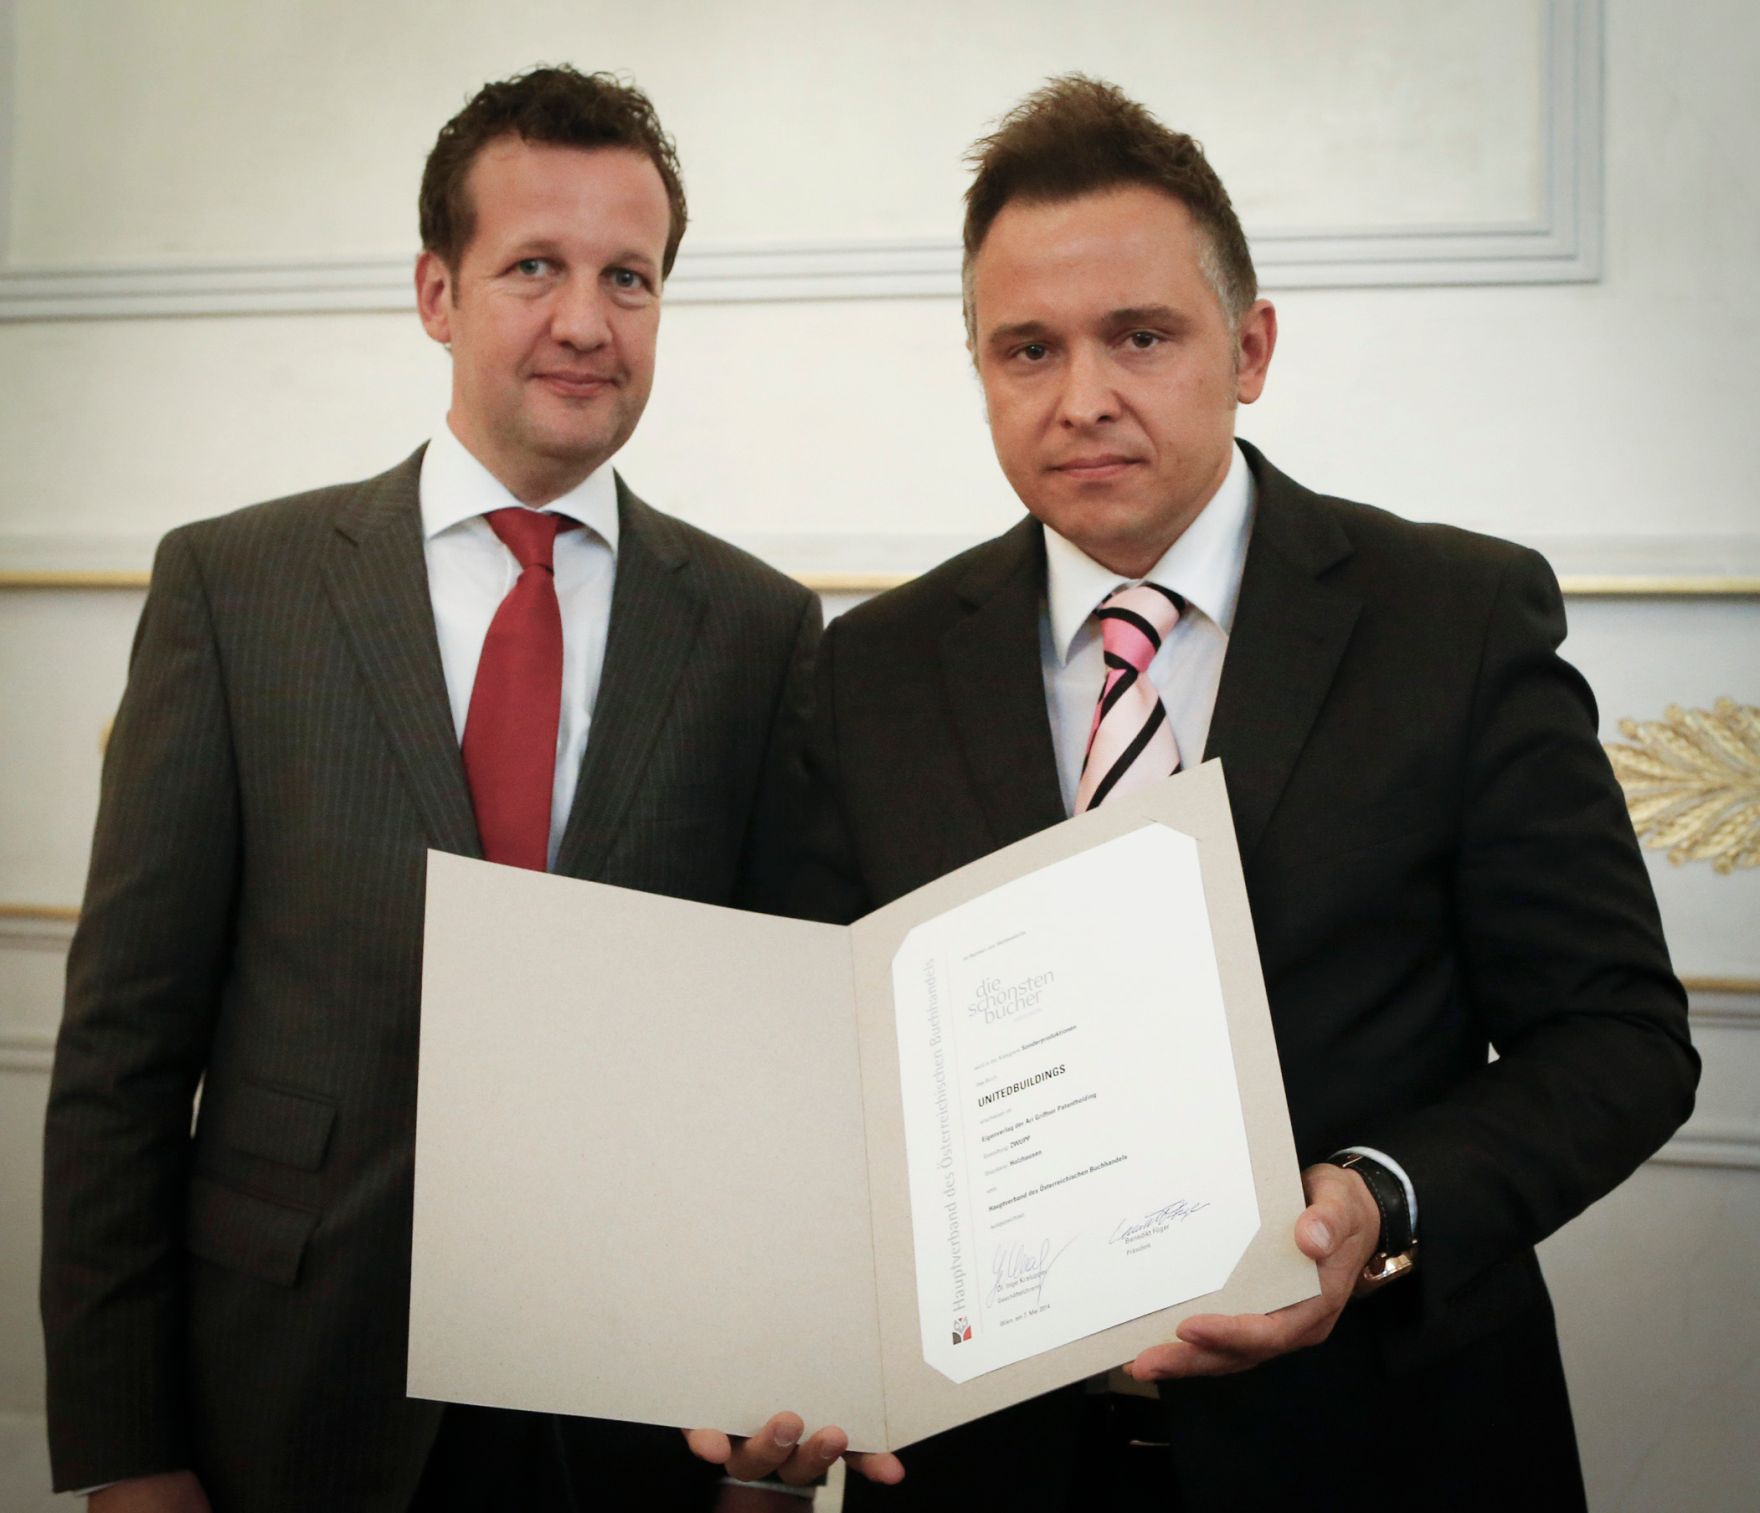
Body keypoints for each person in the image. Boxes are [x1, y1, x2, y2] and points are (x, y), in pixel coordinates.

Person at [795, 76, 1698, 1511]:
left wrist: (1379, 1202)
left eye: (1139, 335)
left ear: (1251, 344)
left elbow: (1621, 1037)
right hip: (993, 1469)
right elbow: (817, 1076)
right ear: (976, 367)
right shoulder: (869, 669)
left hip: (1386, 1447)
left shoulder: (1454, 617)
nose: (1082, 395)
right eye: (1026, 348)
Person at [40, 65, 873, 1513]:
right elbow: (121, 1054)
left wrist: (767, 1447)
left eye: (629, 276)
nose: (584, 320)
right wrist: (124, 1448)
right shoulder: (235, 592)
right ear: (437, 292)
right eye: (533, 267)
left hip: (633, 1423)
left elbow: (787, 1073)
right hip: (286, 1390)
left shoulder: (758, 631)